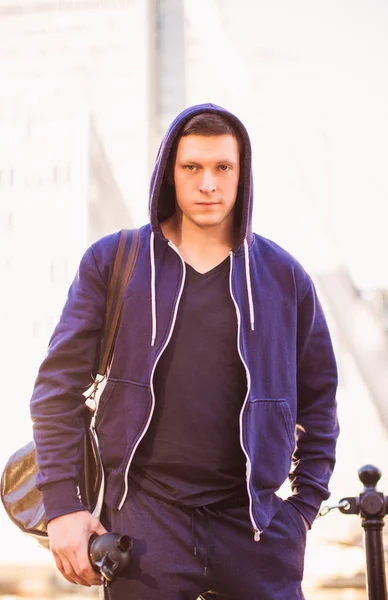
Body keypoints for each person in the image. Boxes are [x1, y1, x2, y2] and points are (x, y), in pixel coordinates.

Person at [30, 103, 339, 599]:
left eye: (223, 168)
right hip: (146, 523)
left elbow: (319, 401)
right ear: (168, 174)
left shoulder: (284, 278)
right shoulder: (115, 262)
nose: (208, 184)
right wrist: (64, 506)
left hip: (254, 527)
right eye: (191, 167)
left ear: (243, 175)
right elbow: (55, 391)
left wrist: (301, 511)